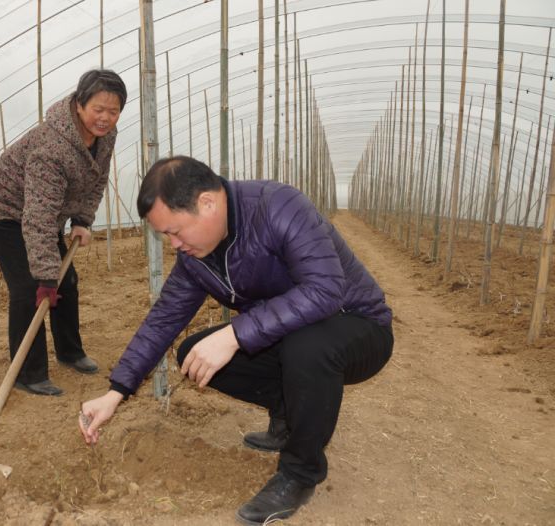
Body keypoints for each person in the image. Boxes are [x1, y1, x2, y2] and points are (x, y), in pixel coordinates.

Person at [78, 156, 394, 524]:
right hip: (291, 333)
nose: (174, 244)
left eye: (175, 231)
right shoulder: (197, 257)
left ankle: (300, 473)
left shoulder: (277, 207)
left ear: (207, 203)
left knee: (304, 347)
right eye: (165, 235)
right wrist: (115, 392)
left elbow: (325, 290)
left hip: (357, 326)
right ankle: (287, 416)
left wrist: (234, 334)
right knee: (193, 355)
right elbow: (163, 319)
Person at [0, 69, 127, 396]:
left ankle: (70, 352)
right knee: (30, 286)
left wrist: (83, 221)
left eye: (113, 111)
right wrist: (46, 278)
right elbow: (39, 217)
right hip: (5, 210)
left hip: (44, 210)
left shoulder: (106, 136)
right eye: (98, 109)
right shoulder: (52, 146)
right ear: (79, 104)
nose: (105, 118)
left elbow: (96, 182)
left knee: (67, 281)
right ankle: (28, 373)